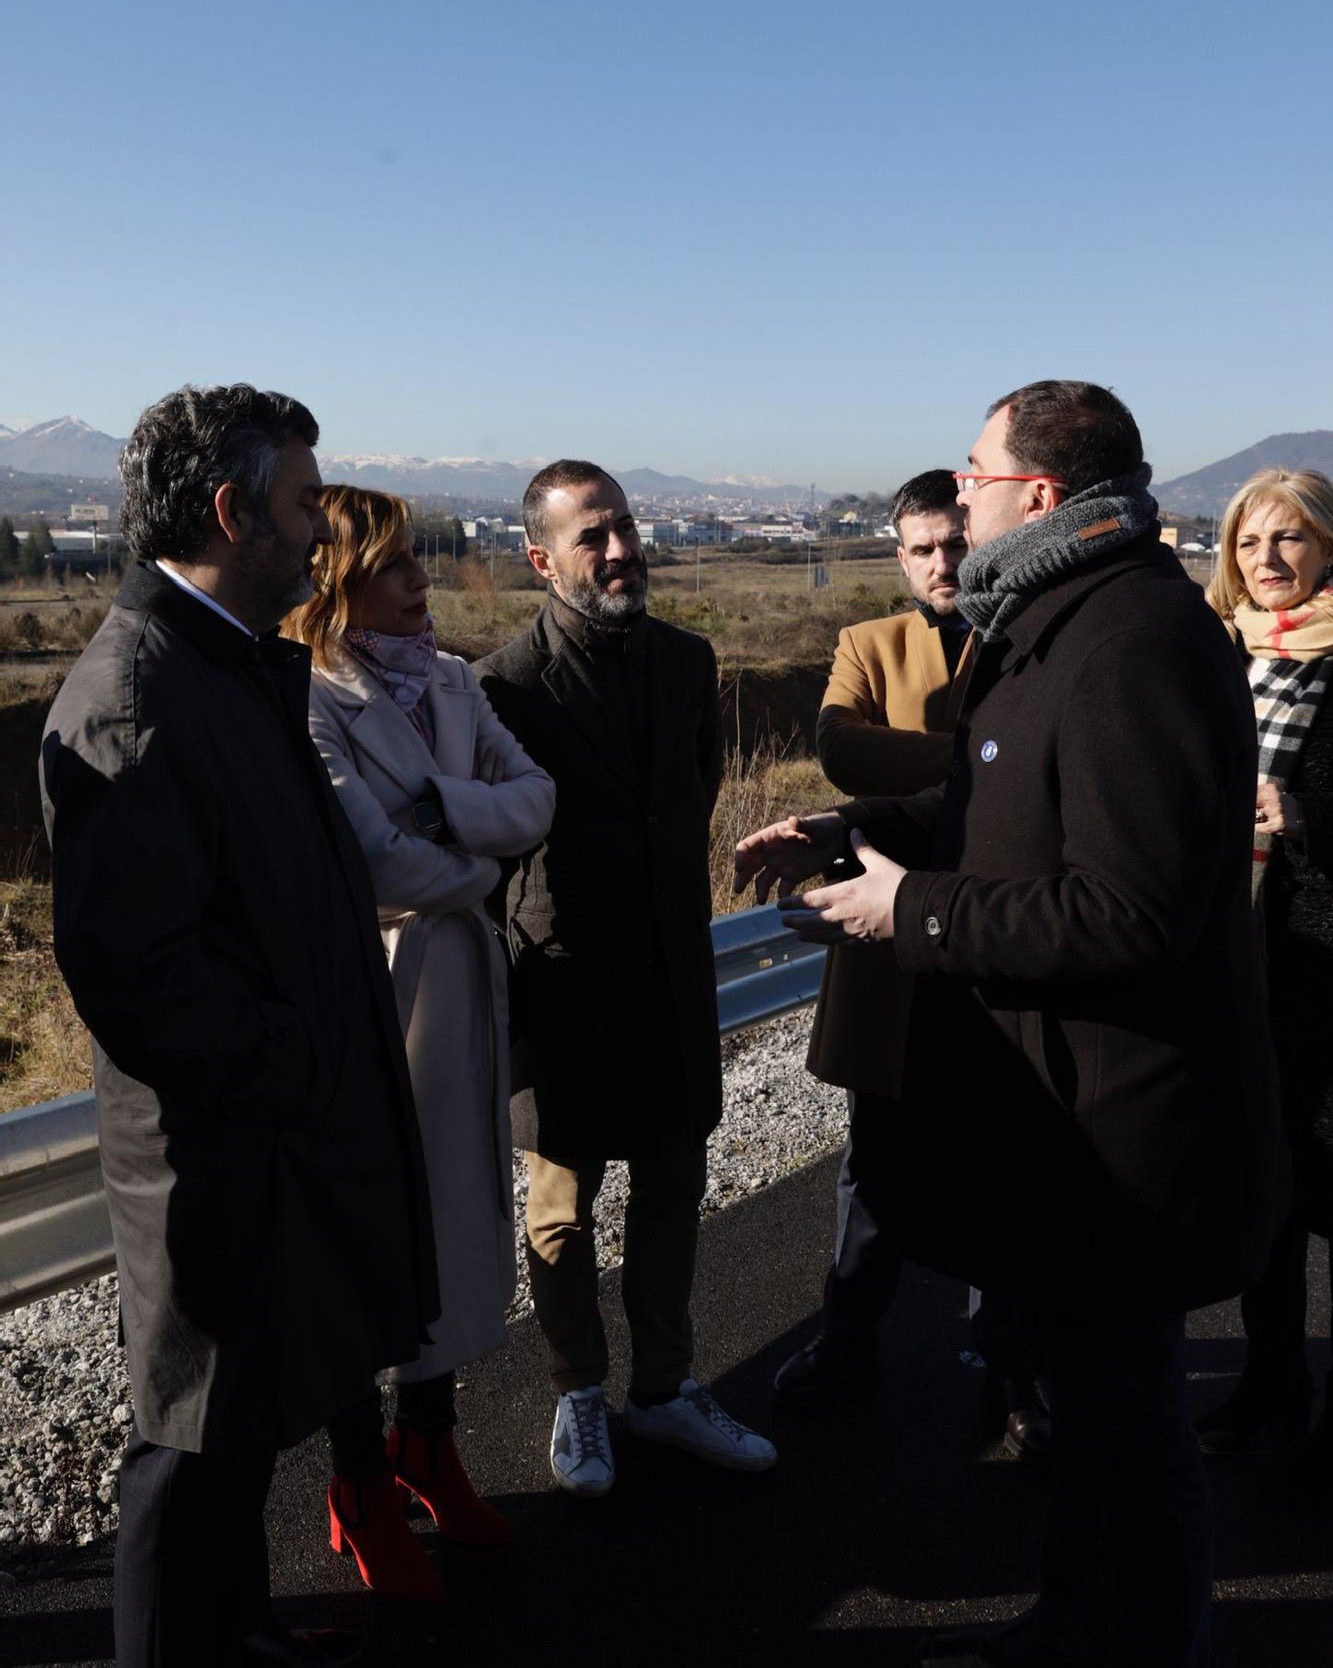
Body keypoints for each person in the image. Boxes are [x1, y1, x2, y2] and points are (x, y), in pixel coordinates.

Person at [735, 381, 1286, 1668]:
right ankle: (1077, 1623)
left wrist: (906, 912)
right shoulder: (1051, 616)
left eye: (975, 473)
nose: (957, 489)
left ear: (1037, 494)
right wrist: (855, 836)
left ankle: (1136, 1640)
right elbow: (1009, 822)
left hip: (1121, 1144)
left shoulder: (1129, 637)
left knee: (1127, 1432)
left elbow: (1129, 910)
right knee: (1092, 1423)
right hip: (1069, 1137)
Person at [39, 386, 439, 1668]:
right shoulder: (139, 695)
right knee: (188, 1442)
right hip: (217, 1155)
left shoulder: (227, 668)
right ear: (231, 514)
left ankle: (240, 1629)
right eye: (304, 503)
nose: (324, 530)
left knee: (244, 1424)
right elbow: (139, 972)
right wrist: (300, 1060)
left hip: (274, 1135)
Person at [475, 459, 775, 1497]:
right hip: (561, 990)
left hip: (670, 974)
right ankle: (577, 1391)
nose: (618, 549)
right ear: (540, 557)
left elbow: (693, 794)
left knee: (672, 1187)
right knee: (559, 1206)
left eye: (625, 526)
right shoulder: (502, 685)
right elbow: (488, 863)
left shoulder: (690, 662)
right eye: (592, 535)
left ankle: (662, 1386)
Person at [282, 484, 555, 1597]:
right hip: (376, 999)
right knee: (371, 1235)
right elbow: (372, 863)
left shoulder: (449, 679)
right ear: (339, 577)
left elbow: (537, 796)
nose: (423, 583)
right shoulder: (305, 698)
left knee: (449, 1223)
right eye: (397, 567)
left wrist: (443, 810)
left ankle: (429, 1446)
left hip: (457, 982)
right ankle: (358, 1480)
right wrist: (478, 855)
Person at [774, 469, 1049, 1462]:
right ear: (898, 556)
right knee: (874, 1160)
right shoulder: (867, 644)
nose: (943, 562)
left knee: (1006, 1160)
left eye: (954, 541)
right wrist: (991, 761)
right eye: (922, 547)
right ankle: (846, 1334)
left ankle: (1009, 1363)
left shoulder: (1027, 639)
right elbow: (843, 751)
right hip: (889, 947)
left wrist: (960, 761)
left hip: (997, 942)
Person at [1193, 467, 1333, 1505]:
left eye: (1289, 540)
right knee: (1264, 1200)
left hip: (1324, 976)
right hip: (1236, 968)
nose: (1268, 561)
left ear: (1327, 547)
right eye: (1249, 542)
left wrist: (1307, 819)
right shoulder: (1216, 661)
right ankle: (1272, 1380)